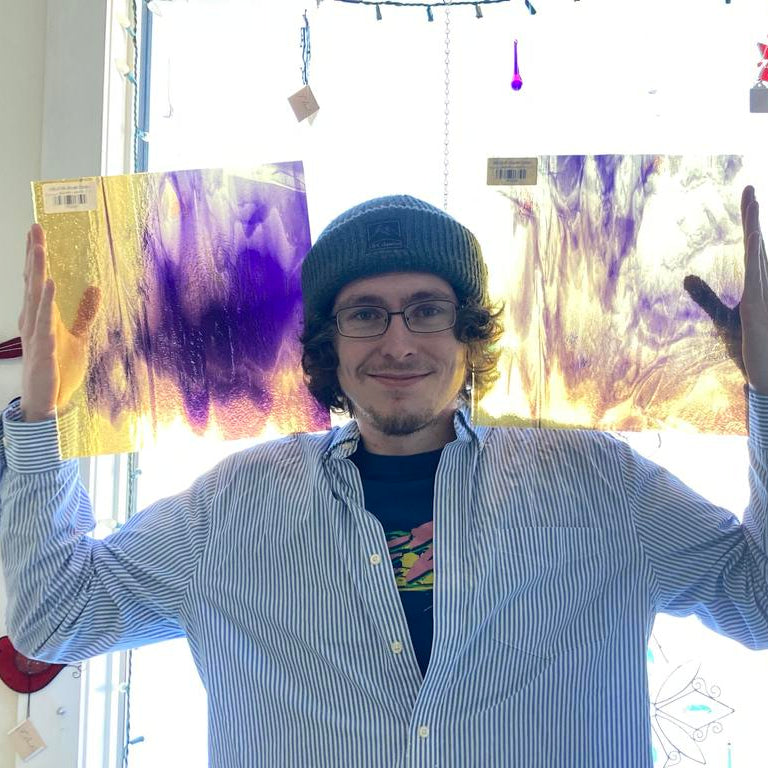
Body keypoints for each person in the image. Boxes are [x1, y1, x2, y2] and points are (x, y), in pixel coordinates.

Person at [1, 191, 767, 768]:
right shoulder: (230, 507)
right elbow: (55, 614)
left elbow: (758, 602)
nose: (398, 343)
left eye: (427, 311)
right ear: (328, 345)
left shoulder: (601, 484)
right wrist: (41, 417)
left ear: (468, 335)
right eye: (365, 314)